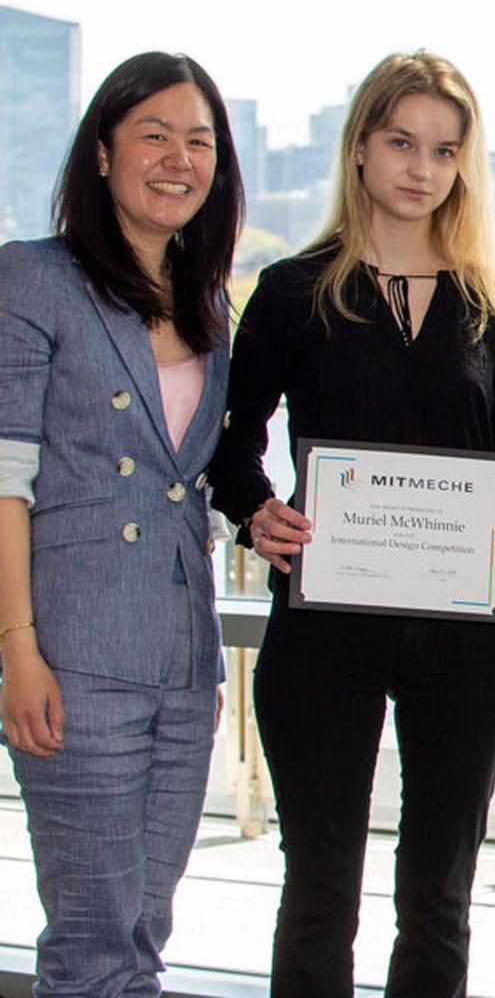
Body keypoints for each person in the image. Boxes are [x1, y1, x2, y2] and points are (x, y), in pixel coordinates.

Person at [206, 50, 495, 995]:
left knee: (438, 896)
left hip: (461, 640)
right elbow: (231, 441)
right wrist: (252, 512)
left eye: (444, 150)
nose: (420, 168)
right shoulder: (291, 291)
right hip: (323, 630)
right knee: (319, 889)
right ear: (359, 147)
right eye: (401, 142)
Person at [0, 51, 243, 996]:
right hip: (72, 655)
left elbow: (202, 482)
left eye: (200, 141)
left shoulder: (209, 299)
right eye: (154, 134)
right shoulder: (34, 279)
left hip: (185, 665)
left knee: (146, 929)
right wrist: (17, 650)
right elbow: (4, 480)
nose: (178, 158)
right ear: (102, 153)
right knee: (96, 943)